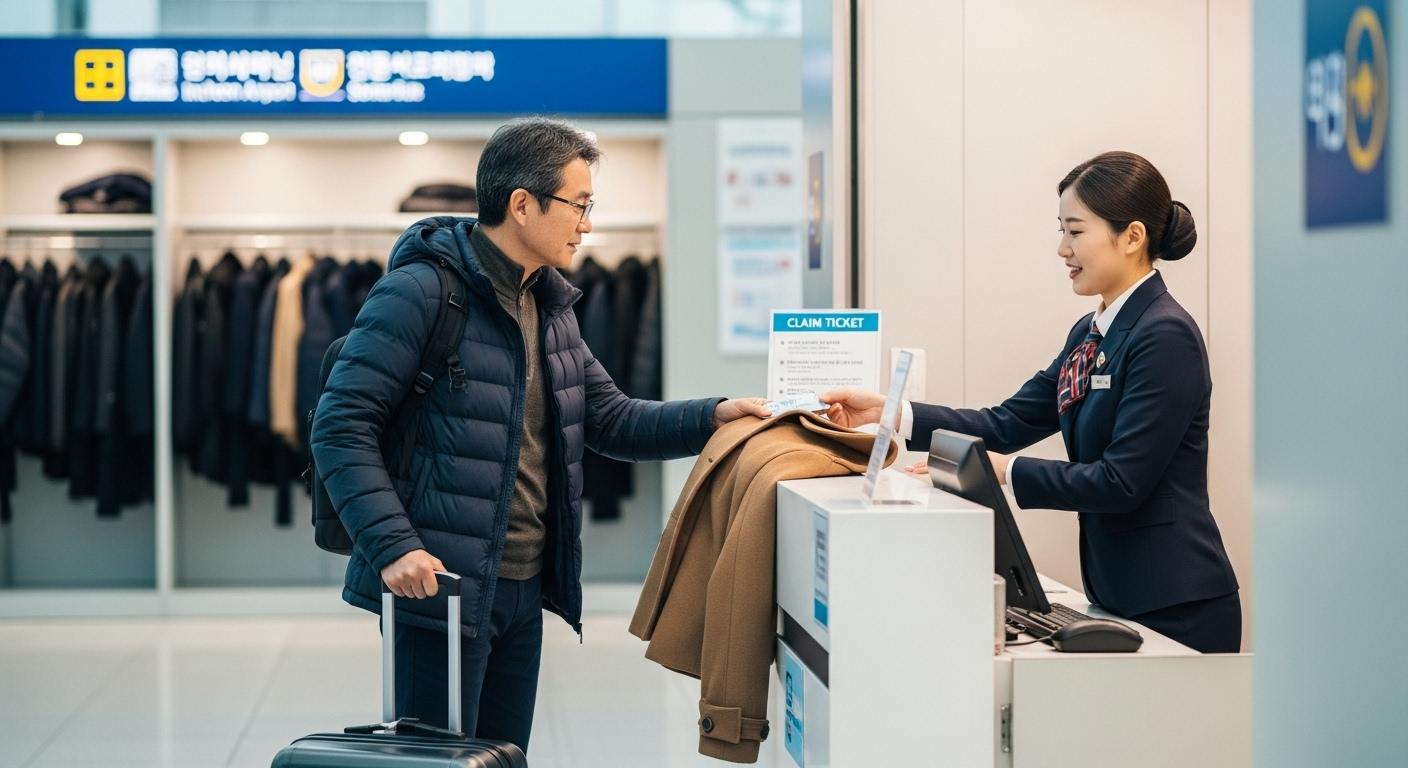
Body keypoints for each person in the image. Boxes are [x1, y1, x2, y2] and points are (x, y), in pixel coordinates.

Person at [310, 117, 770, 752]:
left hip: (521, 588)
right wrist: (394, 548)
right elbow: (341, 425)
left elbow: (609, 418)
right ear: (522, 205)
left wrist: (717, 414)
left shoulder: (548, 305)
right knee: (435, 761)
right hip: (436, 588)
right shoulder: (418, 292)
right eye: (579, 205)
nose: (587, 224)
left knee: (502, 757)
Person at [822, 151, 1240, 653]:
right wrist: (889, 414)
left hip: (1178, 605)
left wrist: (1002, 472)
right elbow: (1007, 422)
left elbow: (1121, 481)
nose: (1063, 249)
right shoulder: (1091, 333)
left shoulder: (1164, 335)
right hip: (1121, 596)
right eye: (1060, 231)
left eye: (1076, 231)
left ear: (1132, 236)